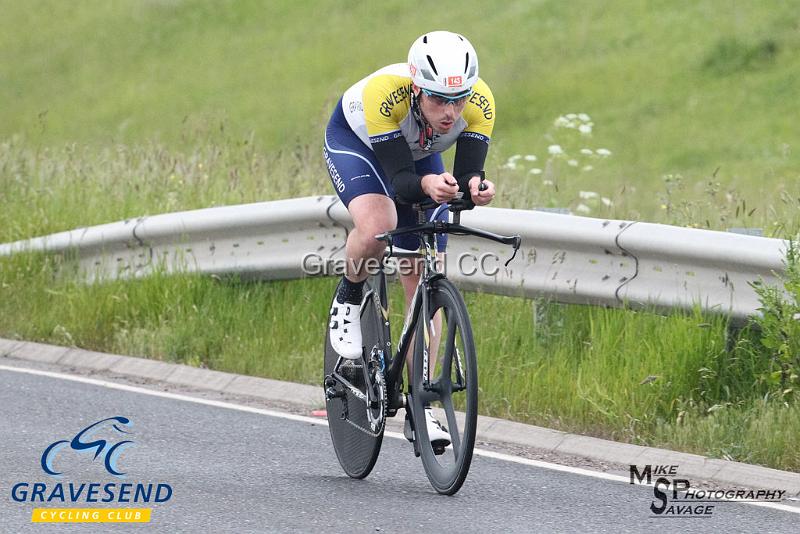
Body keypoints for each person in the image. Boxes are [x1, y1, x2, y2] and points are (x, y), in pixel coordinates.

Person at [323, 30, 496, 447]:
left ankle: (424, 406)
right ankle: (348, 298)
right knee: (378, 223)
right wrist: (430, 184)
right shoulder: (386, 94)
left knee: (419, 273)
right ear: (417, 89)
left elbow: (470, 169)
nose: (451, 113)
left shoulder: (481, 102)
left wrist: (475, 188)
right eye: (438, 100)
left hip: (419, 154)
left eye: (459, 100)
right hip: (359, 143)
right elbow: (401, 183)